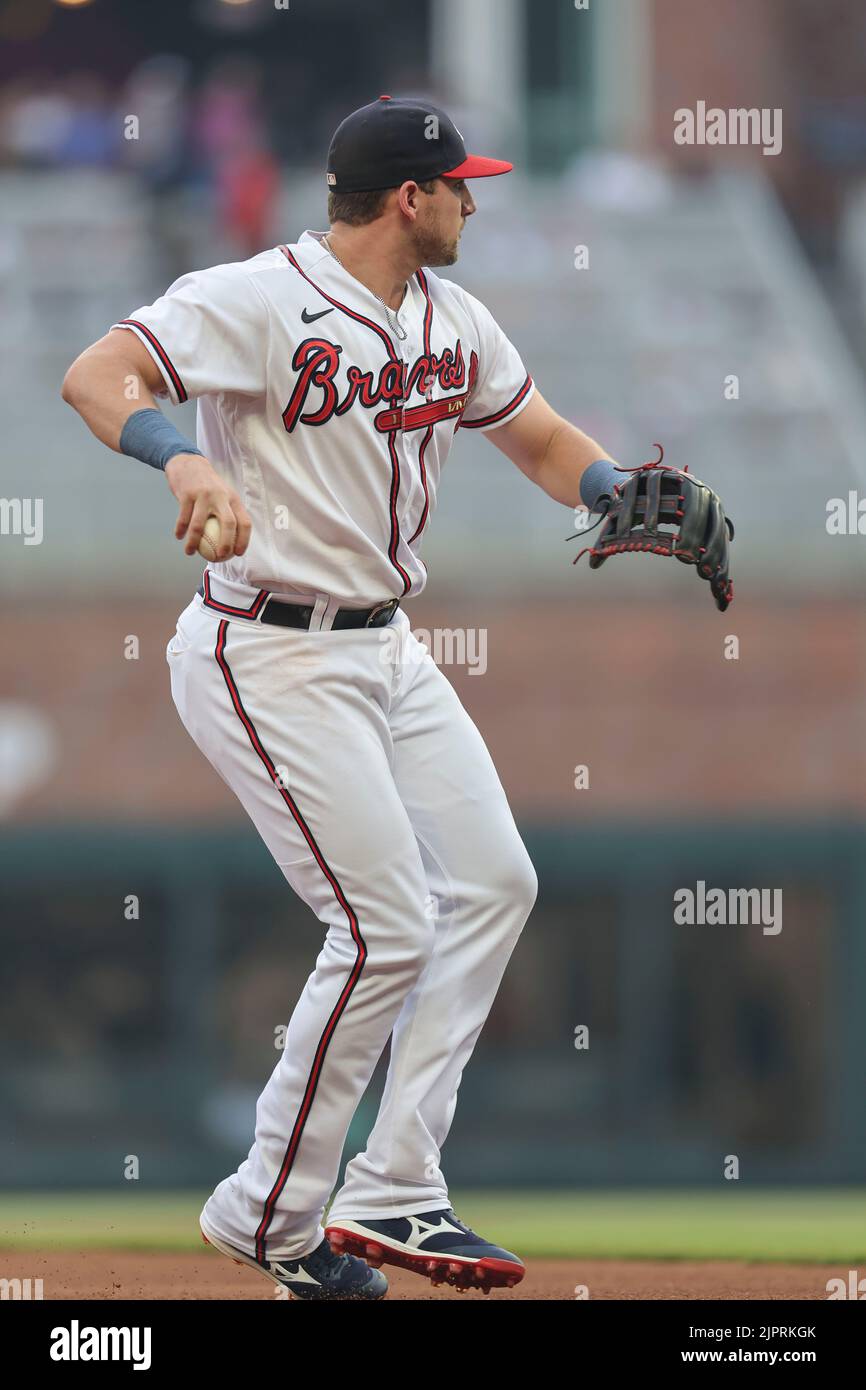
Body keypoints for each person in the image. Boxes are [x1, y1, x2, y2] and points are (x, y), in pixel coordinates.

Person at [61, 96, 615, 1301]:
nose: (475, 198)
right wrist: (185, 452)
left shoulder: (450, 316)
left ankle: (392, 1185)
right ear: (408, 196)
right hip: (265, 647)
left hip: (387, 650)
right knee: (384, 926)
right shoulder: (258, 296)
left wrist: (619, 486)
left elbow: (538, 438)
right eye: (460, 182)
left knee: (494, 882)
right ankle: (268, 1209)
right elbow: (95, 373)